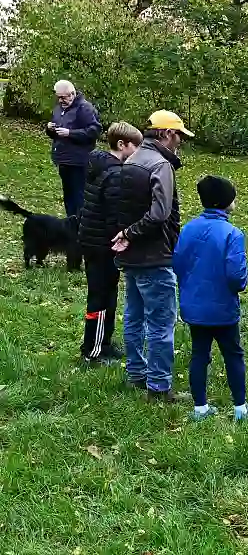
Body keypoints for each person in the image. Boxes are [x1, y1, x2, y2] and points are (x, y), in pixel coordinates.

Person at [110, 110, 193, 402]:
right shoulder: (160, 165)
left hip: (131, 257)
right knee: (160, 323)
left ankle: (136, 374)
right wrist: (132, 234)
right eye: (179, 135)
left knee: (133, 316)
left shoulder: (130, 160)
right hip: (154, 258)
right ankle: (158, 387)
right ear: (167, 134)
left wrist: (126, 235)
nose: (180, 141)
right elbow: (160, 214)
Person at [173, 175, 248, 422]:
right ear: (226, 202)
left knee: (199, 355)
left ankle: (200, 408)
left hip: (194, 307)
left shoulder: (188, 229)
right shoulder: (233, 234)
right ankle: (240, 407)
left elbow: (177, 263)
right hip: (223, 309)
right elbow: (237, 276)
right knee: (233, 354)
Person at [78, 121, 143, 364]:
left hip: (93, 240)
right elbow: (115, 215)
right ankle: (92, 350)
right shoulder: (115, 174)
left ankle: (104, 341)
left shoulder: (100, 166)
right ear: (121, 144)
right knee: (101, 296)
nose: (137, 153)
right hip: (102, 245)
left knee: (108, 293)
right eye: (135, 147)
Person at [45, 80, 102, 217]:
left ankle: (80, 227)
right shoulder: (59, 108)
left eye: (63, 97)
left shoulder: (85, 108)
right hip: (63, 159)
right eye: (58, 97)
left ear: (72, 94)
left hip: (79, 161)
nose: (60, 100)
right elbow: (54, 133)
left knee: (79, 197)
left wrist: (70, 133)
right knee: (68, 195)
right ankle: (70, 224)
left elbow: (95, 131)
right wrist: (49, 128)